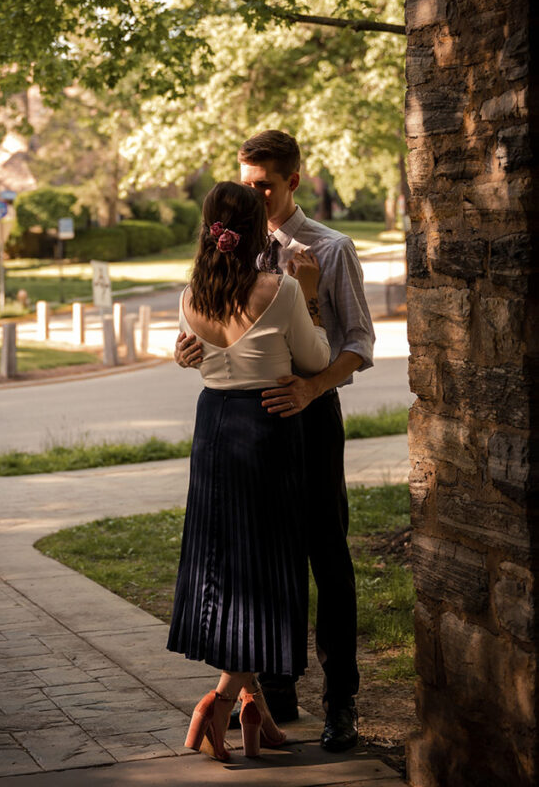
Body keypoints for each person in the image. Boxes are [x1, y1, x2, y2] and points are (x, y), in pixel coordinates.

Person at [175, 130, 374, 753]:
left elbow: (358, 347)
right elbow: (223, 330)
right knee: (263, 558)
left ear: (293, 181)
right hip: (256, 428)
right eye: (246, 183)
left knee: (325, 558)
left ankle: (341, 702)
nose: (253, 195)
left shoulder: (330, 250)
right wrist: (192, 350)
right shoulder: (230, 251)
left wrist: (312, 393)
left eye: (264, 185)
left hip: (309, 419)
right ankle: (271, 698)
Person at [167, 180, 330, 761]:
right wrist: (310, 294)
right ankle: (217, 700)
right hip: (267, 428)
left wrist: (186, 352)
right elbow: (315, 360)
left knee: (227, 567)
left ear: (209, 229)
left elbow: (197, 354)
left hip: (214, 431)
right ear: (257, 229)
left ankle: (255, 713)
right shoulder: (281, 289)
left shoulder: (191, 294)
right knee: (263, 574)